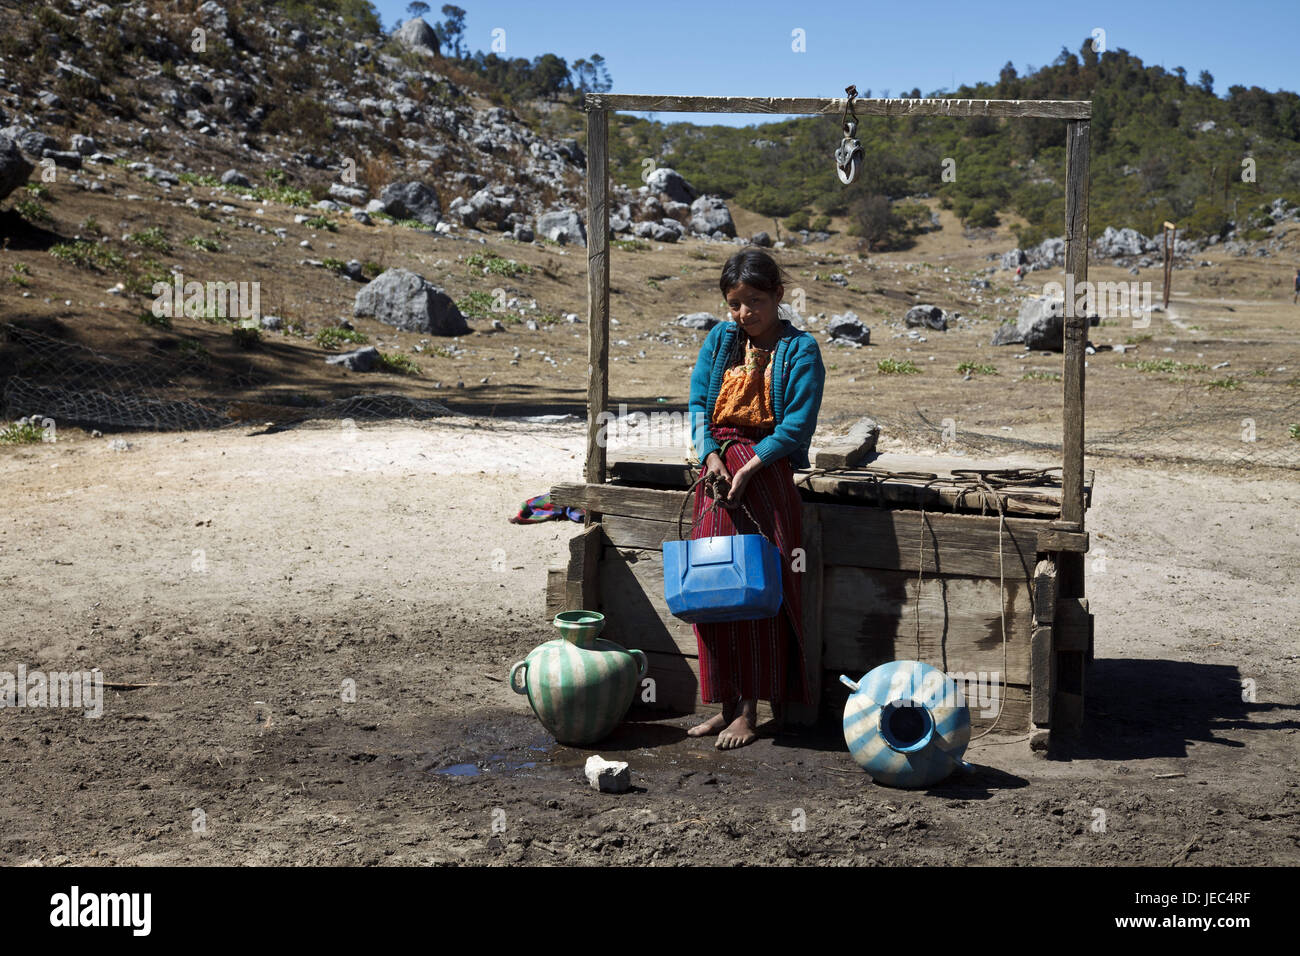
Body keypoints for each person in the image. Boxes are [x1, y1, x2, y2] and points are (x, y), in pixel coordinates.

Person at [684, 248, 825, 749]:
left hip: (764, 478)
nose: (747, 312)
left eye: (757, 300)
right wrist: (711, 455)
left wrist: (749, 466)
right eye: (737, 302)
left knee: (757, 589)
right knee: (712, 585)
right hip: (717, 478)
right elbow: (699, 403)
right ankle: (722, 705)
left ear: (778, 297)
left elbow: (795, 426)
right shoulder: (721, 341)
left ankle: (750, 711)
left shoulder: (801, 349)